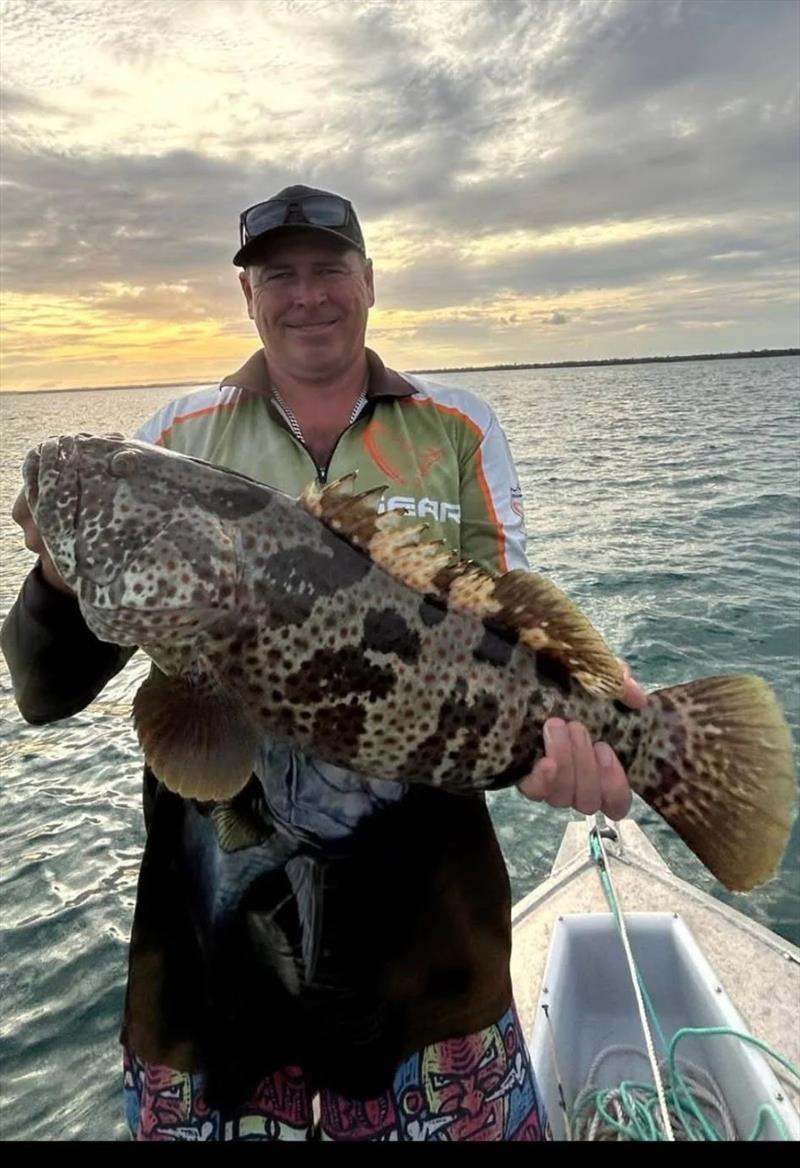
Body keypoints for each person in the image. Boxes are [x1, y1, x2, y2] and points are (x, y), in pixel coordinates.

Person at [3, 185, 646, 1142]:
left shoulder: (456, 427)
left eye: (329, 269)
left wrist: (594, 719)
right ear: (250, 298)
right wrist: (58, 576)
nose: (307, 296)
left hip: (429, 957)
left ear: (370, 282)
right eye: (279, 276)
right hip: (212, 967)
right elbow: (47, 694)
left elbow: (512, 618)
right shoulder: (175, 437)